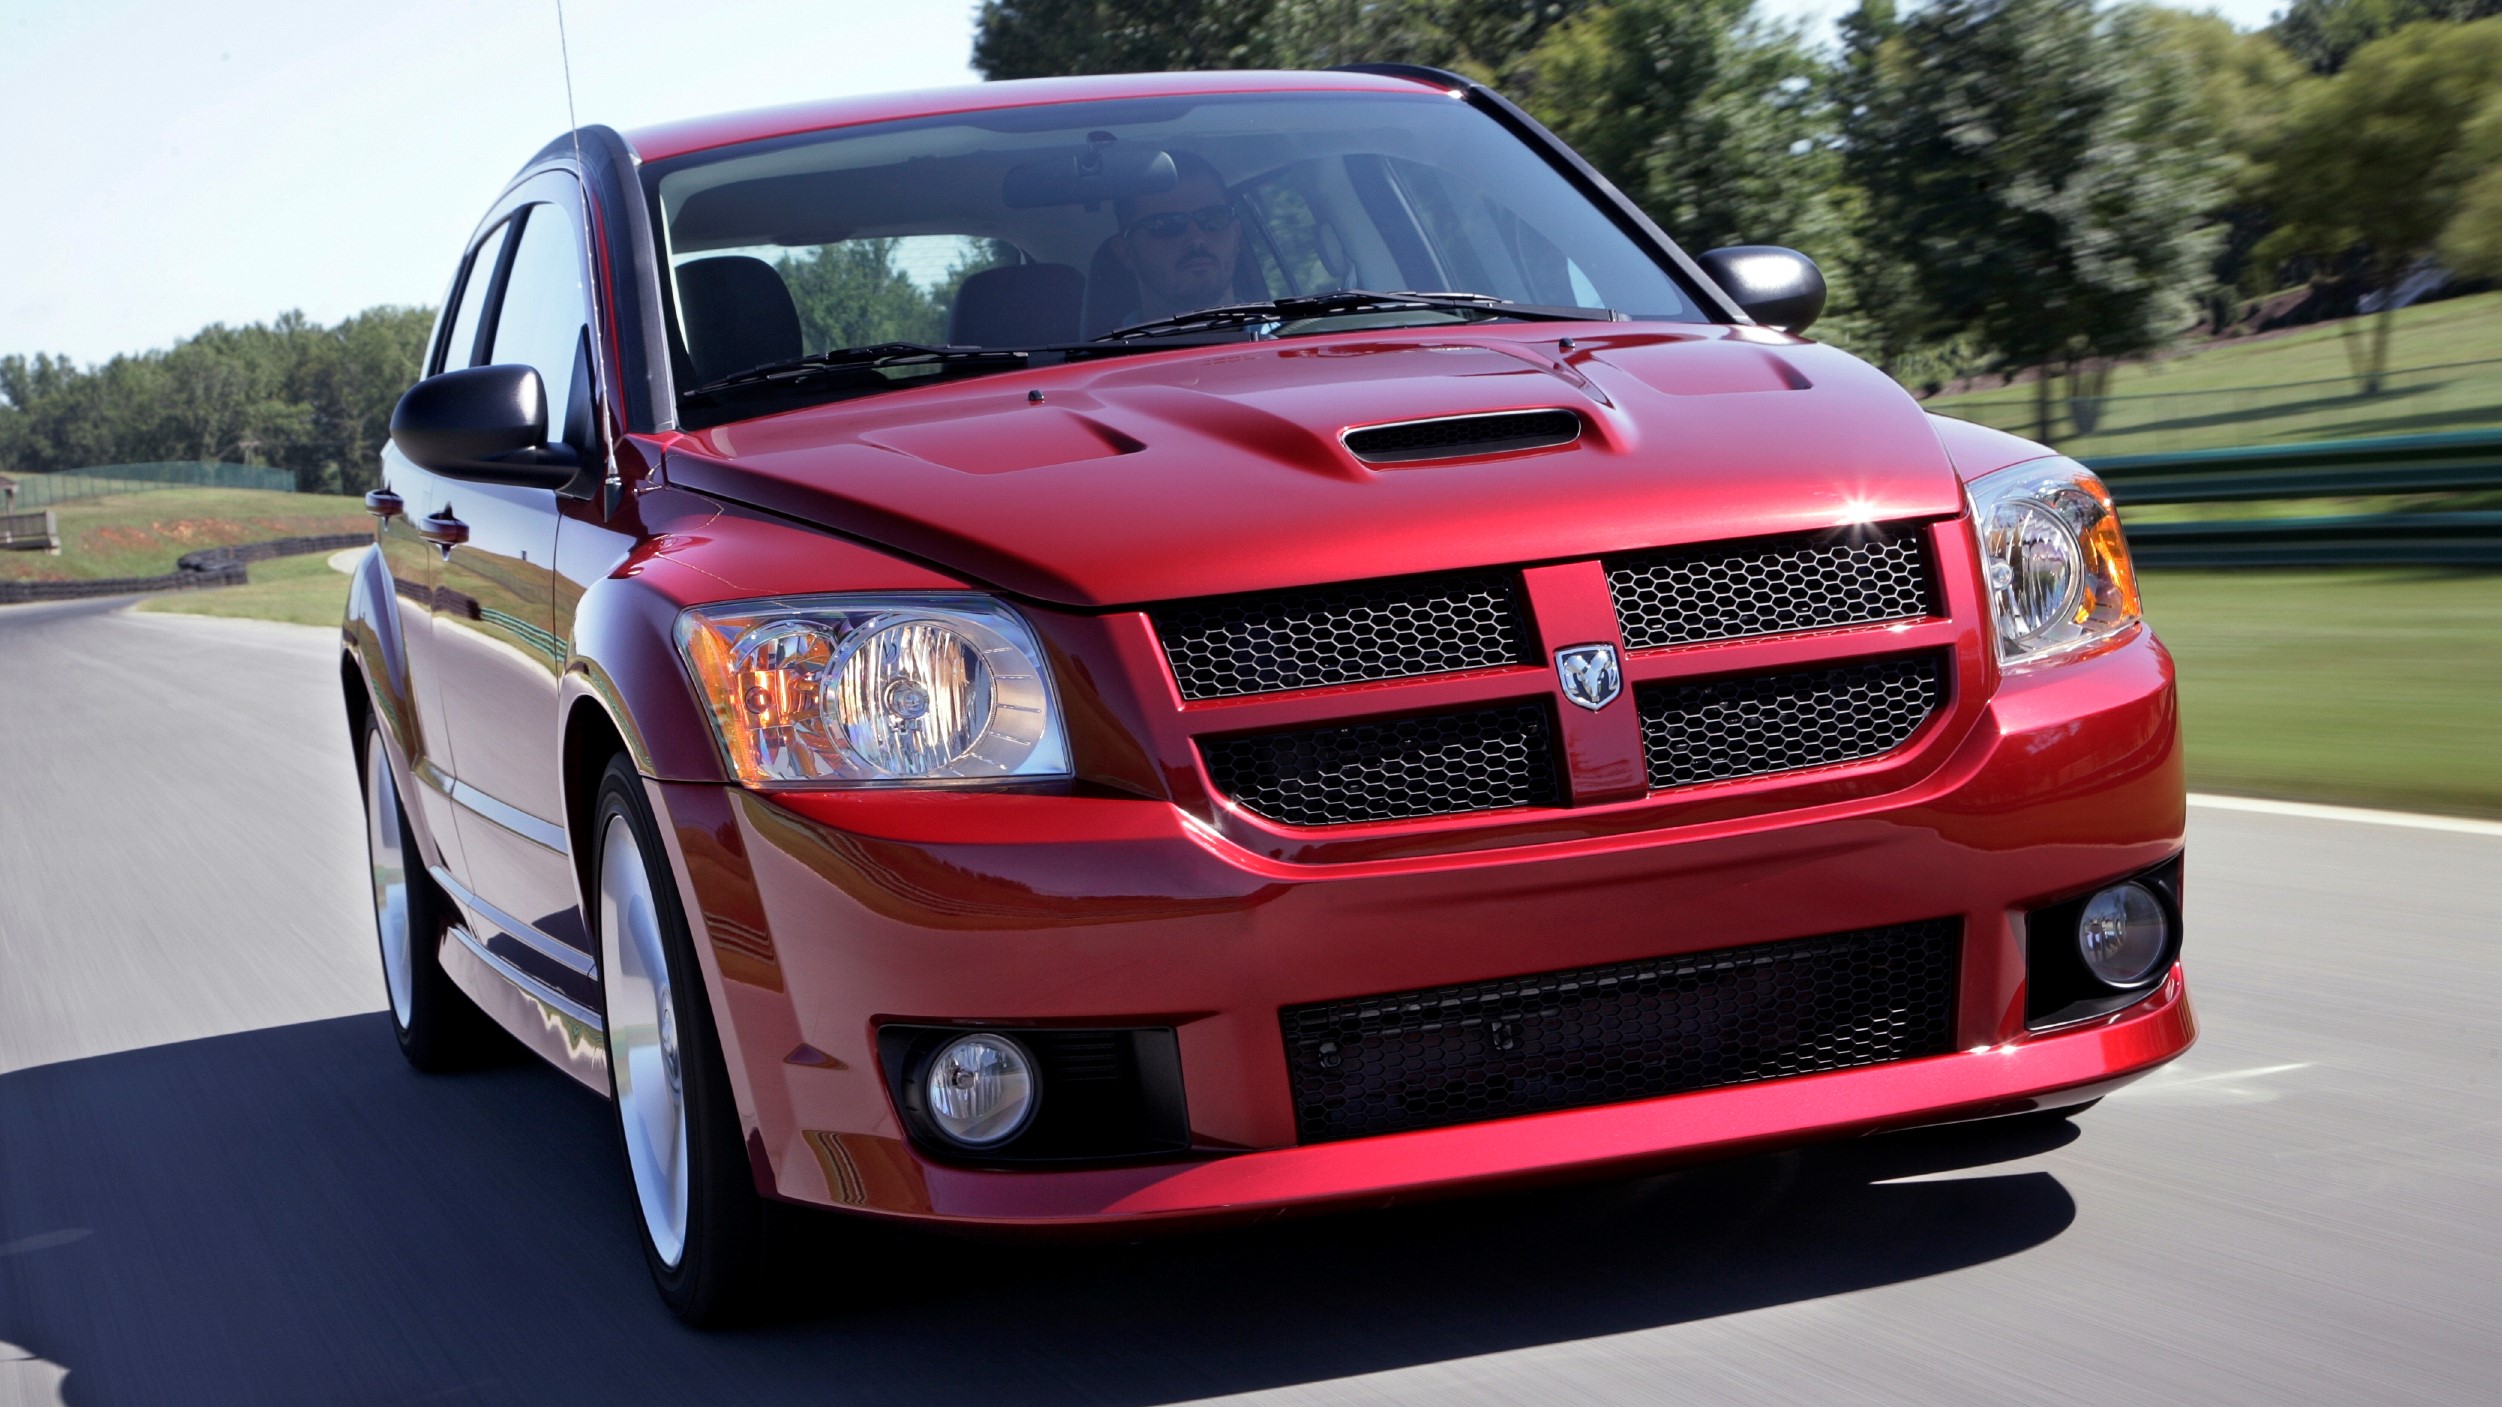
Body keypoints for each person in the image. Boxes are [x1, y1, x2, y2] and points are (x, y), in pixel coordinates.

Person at [1111, 151, 1246, 322]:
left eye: (1213, 217)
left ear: (1237, 234)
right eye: (1167, 225)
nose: (1196, 239)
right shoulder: (1106, 350)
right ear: (1126, 251)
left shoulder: (1286, 340)